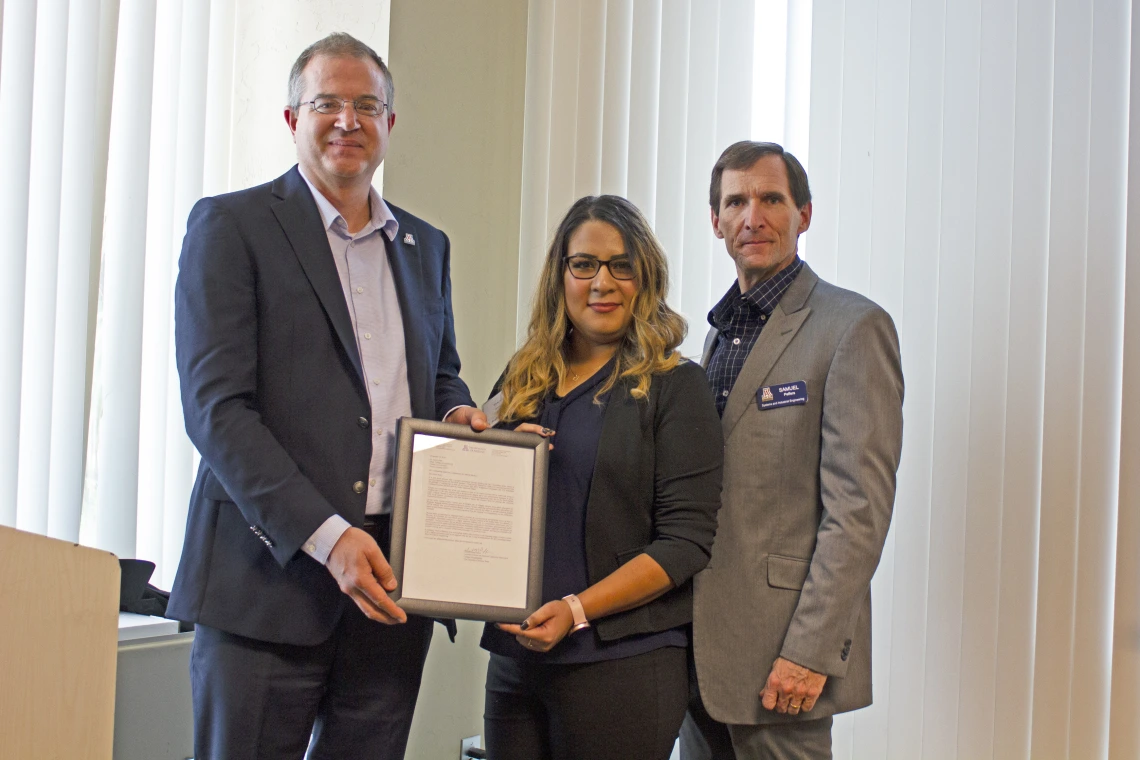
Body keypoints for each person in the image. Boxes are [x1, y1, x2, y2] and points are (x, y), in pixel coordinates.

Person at [167, 33, 487, 760]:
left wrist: (461, 416)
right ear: (291, 118)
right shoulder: (232, 227)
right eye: (327, 104)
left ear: (390, 125)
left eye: (367, 105)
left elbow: (438, 376)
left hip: (392, 587)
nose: (348, 120)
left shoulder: (425, 247)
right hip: (264, 582)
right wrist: (328, 535)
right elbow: (216, 409)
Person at [476, 195, 724, 760]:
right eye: (583, 264)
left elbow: (685, 544)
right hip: (517, 660)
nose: (601, 282)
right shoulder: (526, 376)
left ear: (645, 277)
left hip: (622, 663)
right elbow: (483, 487)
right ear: (560, 276)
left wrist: (577, 609)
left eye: (621, 265)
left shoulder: (676, 386)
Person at [681, 142, 904, 760]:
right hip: (701, 658)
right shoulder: (718, 336)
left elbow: (858, 512)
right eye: (736, 201)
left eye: (770, 199)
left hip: (782, 658)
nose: (753, 216)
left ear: (804, 214)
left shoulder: (852, 328)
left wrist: (810, 652)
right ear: (715, 220)